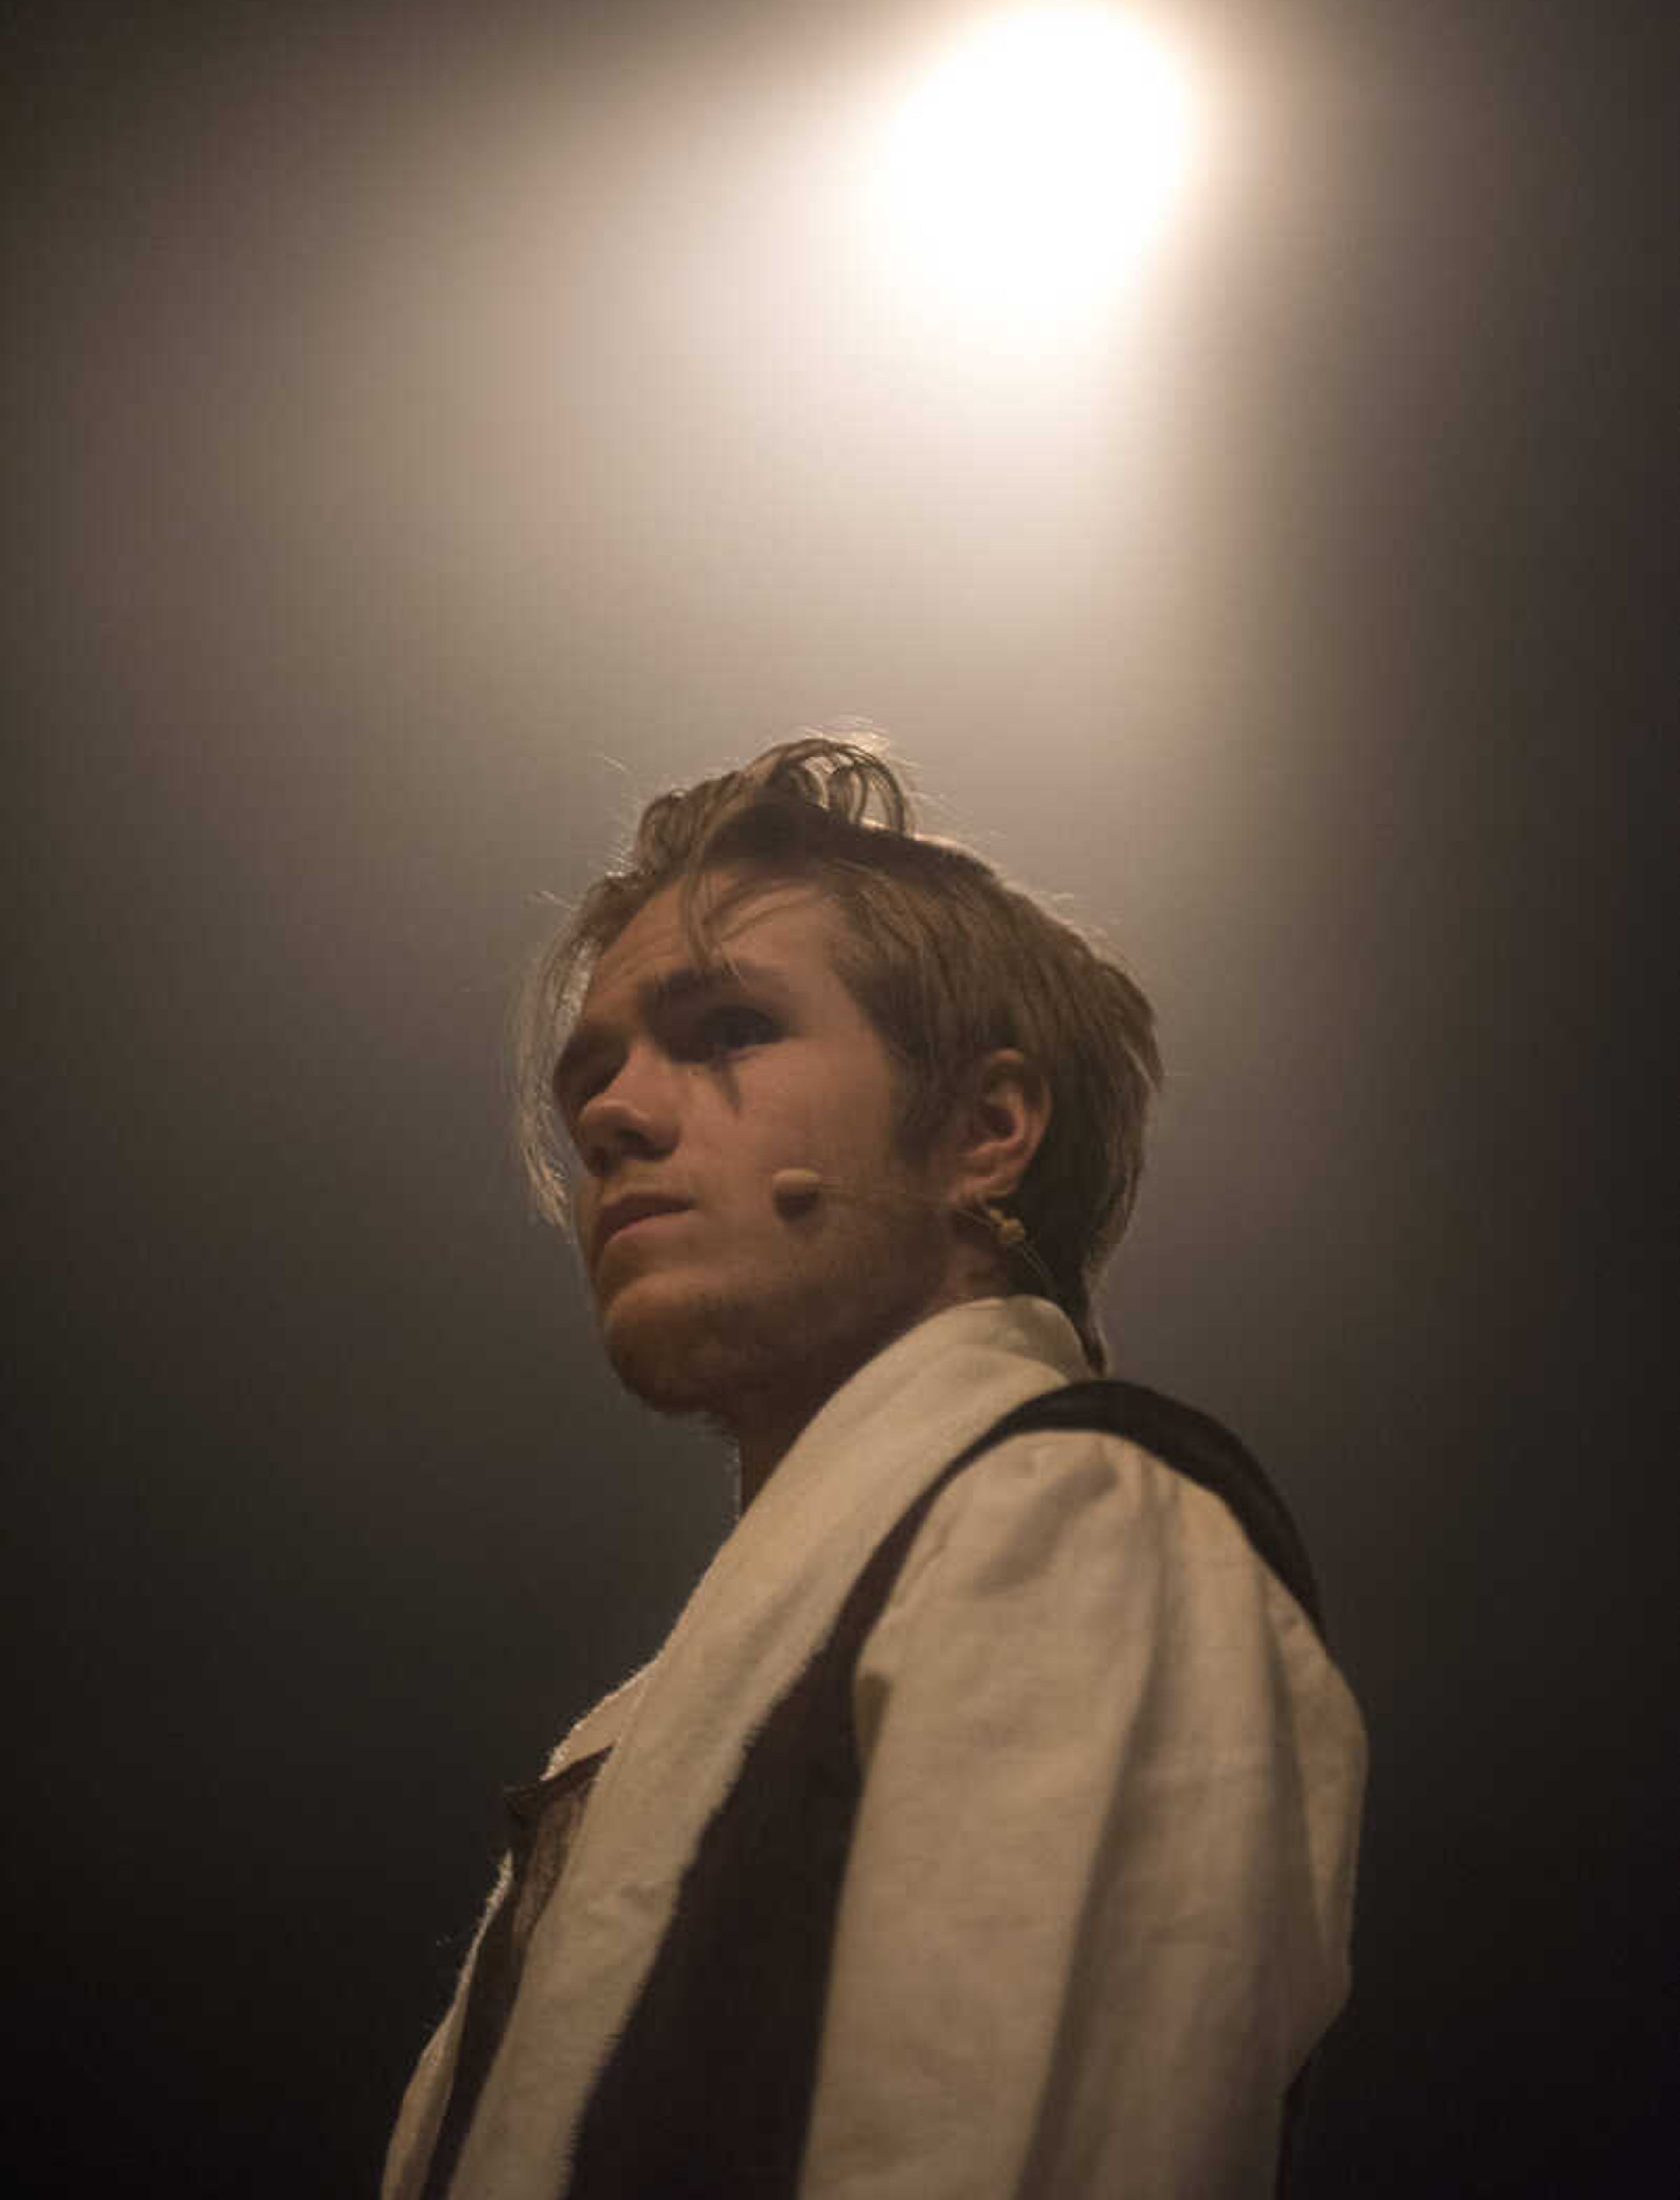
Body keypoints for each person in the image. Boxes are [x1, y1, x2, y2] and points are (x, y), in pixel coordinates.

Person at [383, 735, 1365, 2200]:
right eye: (594, 1070)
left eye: (724, 1030)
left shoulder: (1078, 1522)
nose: (610, 1113)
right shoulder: (642, 1732)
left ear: (986, 1129)